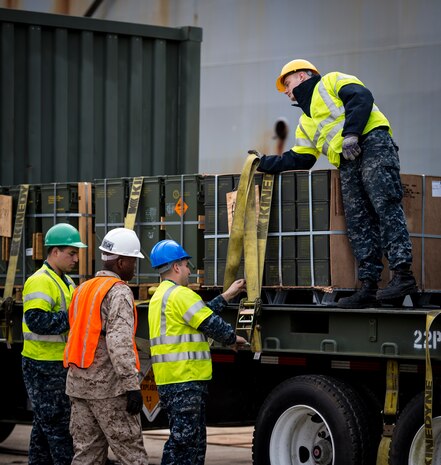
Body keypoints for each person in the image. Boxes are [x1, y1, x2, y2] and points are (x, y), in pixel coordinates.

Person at [251, 58, 417, 308]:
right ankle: (369, 287)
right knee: (359, 223)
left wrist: (351, 133)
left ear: (303, 76)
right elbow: (301, 158)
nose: (285, 91)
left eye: (287, 83)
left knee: (386, 206)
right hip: (347, 161)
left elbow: (361, 97)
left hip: (372, 143)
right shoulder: (306, 122)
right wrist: (263, 163)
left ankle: (403, 276)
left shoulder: (331, 81)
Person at [148, 239, 248, 465]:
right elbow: (210, 323)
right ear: (175, 267)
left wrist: (226, 296)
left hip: (172, 380)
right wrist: (232, 338)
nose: (188, 272)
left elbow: (199, 315)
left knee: (191, 442)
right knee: (184, 444)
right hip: (186, 379)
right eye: (186, 265)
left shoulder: (160, 296)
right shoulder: (180, 295)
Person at [64, 227, 149, 465]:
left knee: (86, 456)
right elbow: (118, 342)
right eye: (133, 260)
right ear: (121, 262)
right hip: (109, 390)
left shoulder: (82, 289)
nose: (135, 266)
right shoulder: (118, 291)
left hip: (78, 386)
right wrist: (132, 386)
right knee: (132, 457)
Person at [22, 222, 87, 465]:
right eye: (71, 253)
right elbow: (37, 321)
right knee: (58, 428)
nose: (76, 259)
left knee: (43, 427)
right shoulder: (40, 281)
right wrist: (74, 317)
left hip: (58, 364)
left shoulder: (67, 282)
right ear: (55, 252)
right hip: (41, 366)